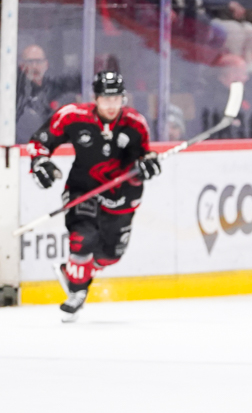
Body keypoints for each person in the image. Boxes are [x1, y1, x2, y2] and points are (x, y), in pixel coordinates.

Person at [25, 71, 161, 321]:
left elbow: (142, 160)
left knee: (110, 255)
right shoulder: (73, 116)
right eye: (106, 98)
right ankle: (76, 294)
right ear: (95, 98)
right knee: (81, 240)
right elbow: (40, 142)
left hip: (122, 196)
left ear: (124, 98)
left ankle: (76, 273)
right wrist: (40, 162)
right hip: (83, 190)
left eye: (117, 98)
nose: (111, 104)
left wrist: (146, 166)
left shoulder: (135, 124)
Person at [16, 44, 81, 144]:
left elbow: (79, 81)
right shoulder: (15, 93)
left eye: (38, 61)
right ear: (21, 66)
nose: (34, 66)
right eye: (30, 62)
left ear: (46, 64)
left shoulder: (54, 87)